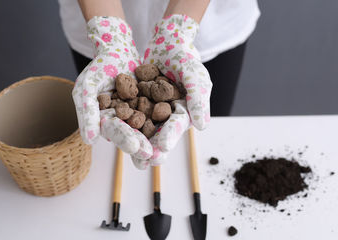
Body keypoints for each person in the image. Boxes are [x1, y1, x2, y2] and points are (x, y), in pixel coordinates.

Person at [58, 0, 260, 169]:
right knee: (112, 146)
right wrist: (109, 33)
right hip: (98, 23)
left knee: (205, 138)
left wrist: (177, 30)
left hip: (210, 22)